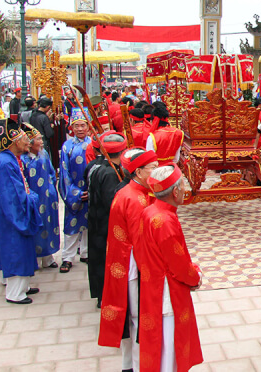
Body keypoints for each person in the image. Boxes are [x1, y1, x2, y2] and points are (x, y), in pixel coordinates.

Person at [137, 164, 204, 372]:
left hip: (152, 285)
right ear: (175, 192)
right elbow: (179, 265)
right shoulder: (165, 221)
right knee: (168, 350)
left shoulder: (150, 211)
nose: (185, 189)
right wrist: (196, 276)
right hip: (167, 292)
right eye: (183, 184)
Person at [99, 148, 159, 371]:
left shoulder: (135, 191)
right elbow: (140, 240)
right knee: (136, 317)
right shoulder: (134, 198)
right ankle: (137, 365)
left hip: (126, 261)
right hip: (133, 264)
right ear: (139, 171)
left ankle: (128, 364)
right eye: (153, 168)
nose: (156, 171)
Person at [0, 118, 41, 304]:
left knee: (22, 247)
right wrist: (31, 199)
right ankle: (15, 293)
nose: (27, 142)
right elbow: (12, 195)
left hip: (13, 209)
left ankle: (24, 286)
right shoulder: (5, 163)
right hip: (12, 213)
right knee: (15, 248)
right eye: (23, 139)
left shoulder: (10, 159)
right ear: (14, 142)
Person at [87, 133, 128, 306]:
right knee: (105, 260)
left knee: (98, 259)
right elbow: (113, 203)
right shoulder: (110, 174)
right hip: (105, 223)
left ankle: (101, 294)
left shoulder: (94, 166)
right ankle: (105, 295)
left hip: (95, 220)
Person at [20, 124, 60, 269]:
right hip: (33, 199)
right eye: (38, 139)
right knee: (35, 226)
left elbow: (51, 172)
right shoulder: (23, 160)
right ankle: (34, 259)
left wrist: (52, 190)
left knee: (48, 225)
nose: (41, 142)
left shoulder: (44, 154)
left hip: (47, 197)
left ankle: (48, 258)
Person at [59, 109, 92, 273]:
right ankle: (67, 257)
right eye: (76, 126)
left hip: (90, 190)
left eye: (83, 125)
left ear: (88, 126)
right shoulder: (67, 146)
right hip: (74, 192)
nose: (80, 129)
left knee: (88, 224)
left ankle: (85, 253)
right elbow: (64, 173)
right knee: (72, 225)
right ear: (72, 127)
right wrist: (75, 193)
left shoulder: (93, 144)